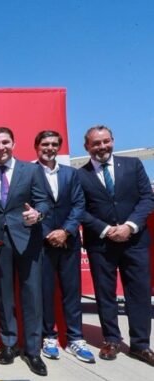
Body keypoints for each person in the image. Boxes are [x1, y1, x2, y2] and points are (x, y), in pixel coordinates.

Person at [77, 125, 154, 365]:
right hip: (101, 243)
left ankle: (140, 345)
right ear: (87, 147)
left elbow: (147, 198)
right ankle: (111, 340)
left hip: (135, 241)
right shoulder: (80, 175)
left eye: (105, 141)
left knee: (139, 293)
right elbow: (80, 209)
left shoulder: (133, 166)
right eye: (96, 143)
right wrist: (106, 229)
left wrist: (129, 226)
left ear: (112, 140)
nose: (102, 147)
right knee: (105, 293)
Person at [0, 126, 50, 376]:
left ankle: (33, 351)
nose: (0, 147)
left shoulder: (32, 170)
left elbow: (43, 200)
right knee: (3, 296)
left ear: (13, 144)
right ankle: (9, 344)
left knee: (32, 295)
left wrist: (38, 213)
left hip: (28, 238)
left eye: (5, 142)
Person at [34, 131, 95, 363]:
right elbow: (26, 205)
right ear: (37, 147)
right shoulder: (29, 173)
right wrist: (48, 233)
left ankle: (75, 338)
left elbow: (79, 205)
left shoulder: (71, 174)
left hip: (69, 241)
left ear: (58, 147)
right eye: (45, 144)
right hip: (41, 243)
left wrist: (65, 231)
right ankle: (49, 336)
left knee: (72, 291)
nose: (49, 148)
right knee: (45, 292)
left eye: (53, 144)